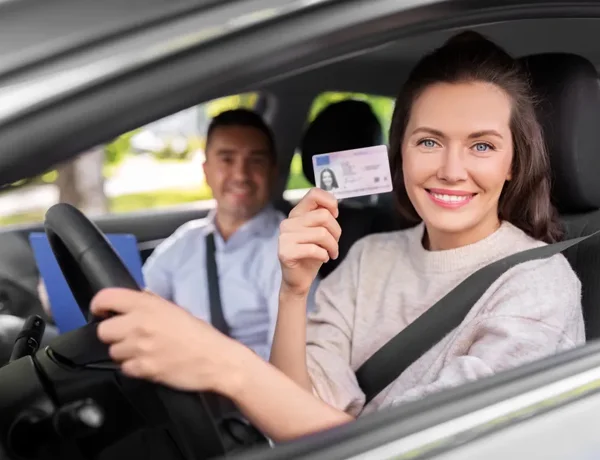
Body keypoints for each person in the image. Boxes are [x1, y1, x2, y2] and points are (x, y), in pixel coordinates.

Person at [90, 31, 585, 443]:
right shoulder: (370, 255)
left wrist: (227, 366)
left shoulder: (538, 283)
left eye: (482, 145)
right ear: (402, 155)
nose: (451, 170)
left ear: (513, 162)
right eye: (429, 141)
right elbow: (296, 410)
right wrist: (294, 290)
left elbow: (422, 447)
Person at [142, 108, 310, 362]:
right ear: (206, 170)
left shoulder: (290, 251)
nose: (241, 175)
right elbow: (143, 305)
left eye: (256, 161)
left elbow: (293, 360)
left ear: (273, 172)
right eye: (227, 159)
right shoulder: (185, 241)